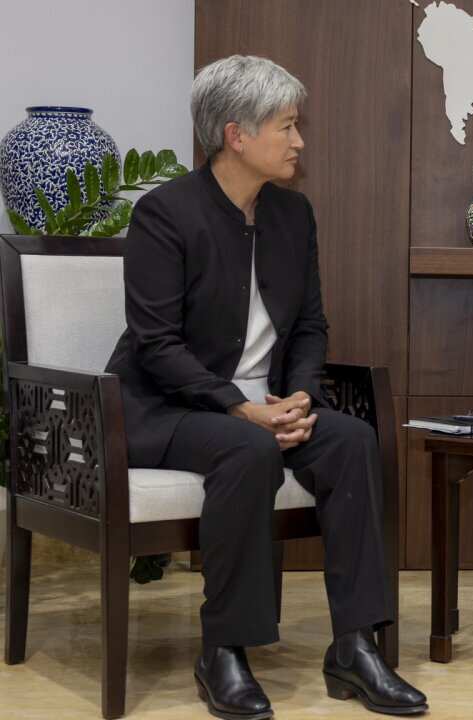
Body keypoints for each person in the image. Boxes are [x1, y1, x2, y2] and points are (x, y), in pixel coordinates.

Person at [105, 55, 426, 718]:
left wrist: (303, 394)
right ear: (236, 135)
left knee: (351, 440)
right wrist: (240, 406)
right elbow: (157, 346)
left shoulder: (292, 215)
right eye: (286, 127)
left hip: (265, 401)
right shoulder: (165, 216)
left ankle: (356, 646)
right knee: (245, 448)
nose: (299, 141)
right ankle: (223, 649)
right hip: (169, 406)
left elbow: (309, 324)